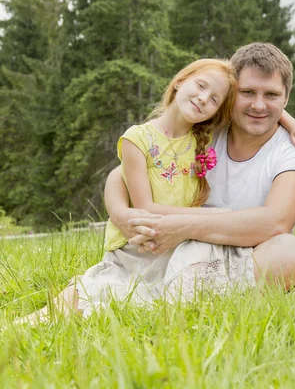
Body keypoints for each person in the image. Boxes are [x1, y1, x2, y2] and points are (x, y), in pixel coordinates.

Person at [20, 58, 238, 321]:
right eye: (200, 86)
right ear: (180, 81)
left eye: (214, 99)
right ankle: (27, 324)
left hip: (178, 243)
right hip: (138, 246)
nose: (204, 98)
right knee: (100, 291)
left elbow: (259, 109)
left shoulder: (202, 140)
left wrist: (292, 124)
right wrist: (219, 216)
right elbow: (147, 208)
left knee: (164, 297)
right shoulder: (137, 139)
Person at [106, 42, 295, 298]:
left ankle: (177, 294)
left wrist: (184, 226)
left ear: (286, 99)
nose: (258, 105)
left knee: (289, 251)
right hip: (179, 248)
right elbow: (125, 170)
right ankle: (181, 294)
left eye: (271, 95)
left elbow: (276, 223)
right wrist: (118, 212)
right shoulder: (204, 130)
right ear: (230, 95)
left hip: (243, 256)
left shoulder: (292, 150)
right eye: (247, 92)